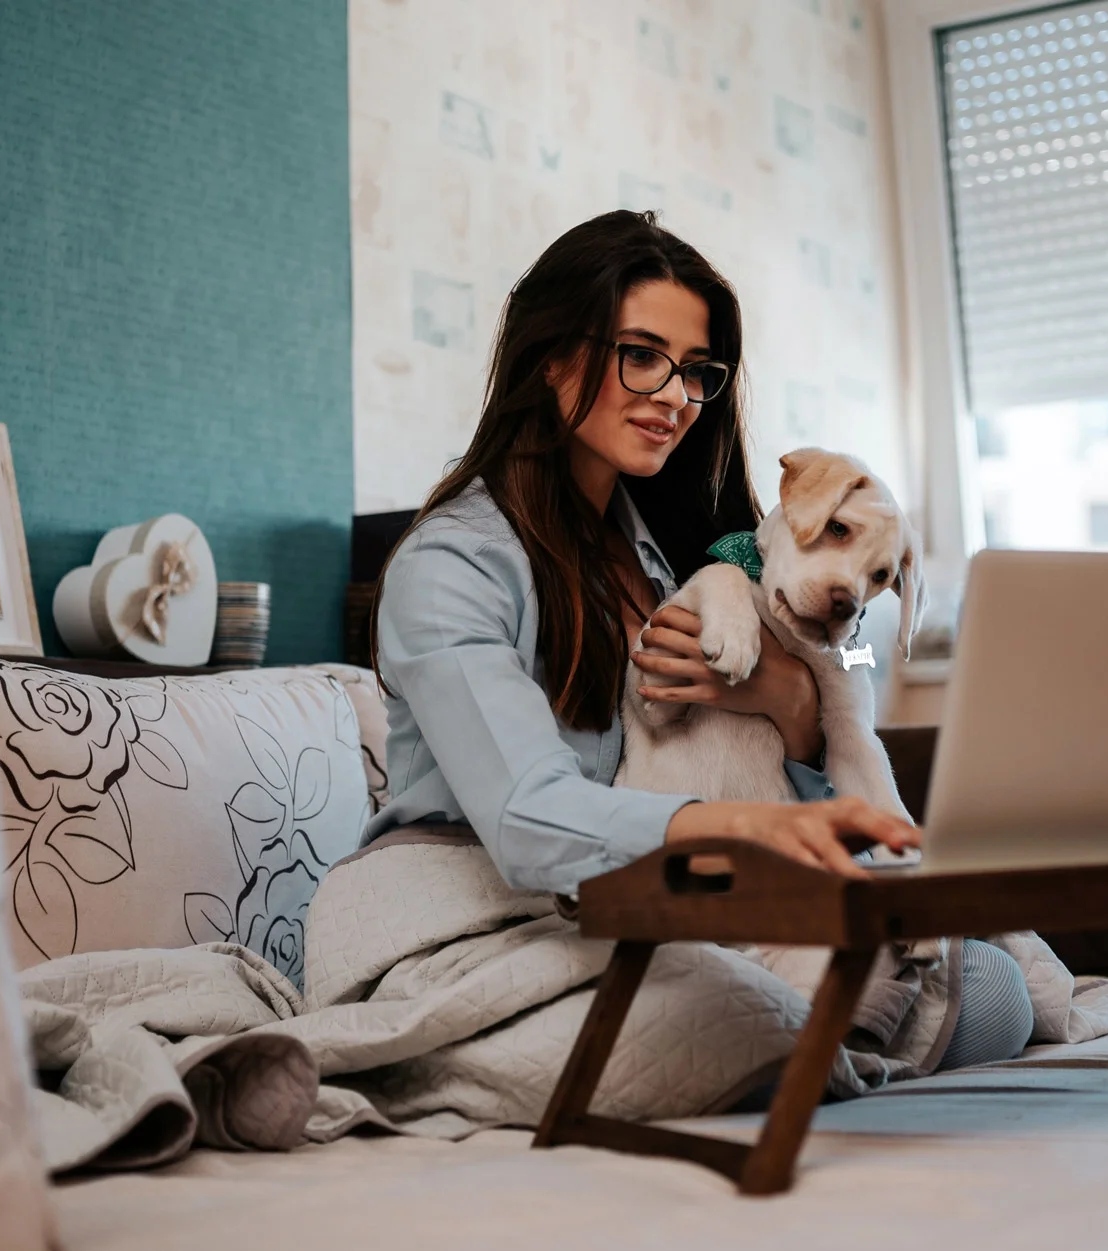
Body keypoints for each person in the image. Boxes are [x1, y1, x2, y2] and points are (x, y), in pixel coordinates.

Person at [367, 210, 1033, 1072]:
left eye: (696, 371)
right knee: (776, 1015)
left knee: (990, 986)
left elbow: (824, 685)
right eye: (642, 356)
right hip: (473, 914)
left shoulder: (676, 549)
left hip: (639, 904)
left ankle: (789, 1043)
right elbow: (528, 818)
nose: (677, 396)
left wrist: (790, 703)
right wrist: (747, 828)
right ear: (551, 355)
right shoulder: (452, 565)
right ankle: (785, 1046)